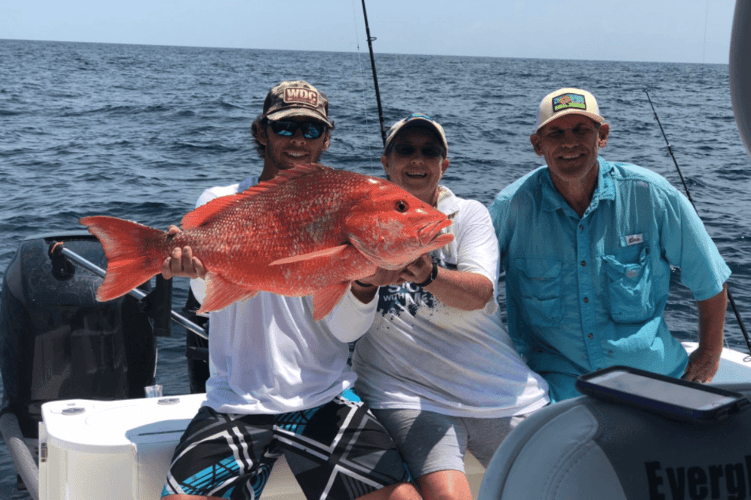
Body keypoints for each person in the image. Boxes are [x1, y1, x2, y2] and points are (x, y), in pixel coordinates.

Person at [159, 81, 420, 500]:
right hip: (236, 403)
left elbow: (346, 331)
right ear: (262, 132)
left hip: (324, 398)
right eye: (286, 127)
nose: (299, 140)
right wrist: (194, 269)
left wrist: (366, 282)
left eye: (311, 130)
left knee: (401, 497)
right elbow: (207, 301)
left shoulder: (346, 202)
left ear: (327, 137)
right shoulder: (223, 199)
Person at [350, 113, 550, 500]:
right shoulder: (358, 219)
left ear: (445, 164)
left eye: (430, 151)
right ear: (385, 162)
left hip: (497, 391)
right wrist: (362, 281)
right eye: (404, 150)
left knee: (553, 487)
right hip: (408, 394)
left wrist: (428, 273)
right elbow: (338, 318)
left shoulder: (469, 214)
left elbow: (480, 293)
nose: (417, 160)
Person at [488, 87, 731, 402]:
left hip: (652, 378)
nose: (569, 142)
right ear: (538, 145)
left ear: (601, 136)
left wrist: (711, 352)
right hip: (556, 390)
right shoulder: (512, 206)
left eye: (581, 130)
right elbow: (476, 289)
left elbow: (709, 278)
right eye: (555, 133)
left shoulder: (653, 195)